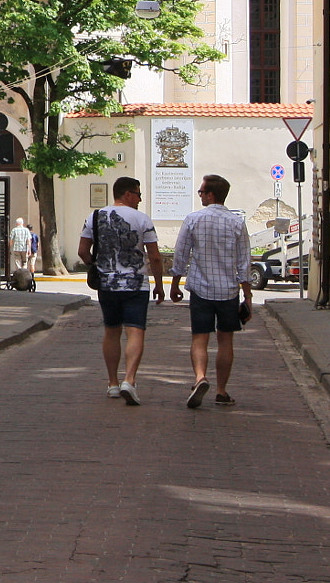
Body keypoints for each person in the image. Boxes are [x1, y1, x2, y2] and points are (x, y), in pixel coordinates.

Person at [168, 174, 253, 409]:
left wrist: (175, 283)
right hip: (228, 291)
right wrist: (248, 296)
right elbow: (244, 262)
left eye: (201, 192)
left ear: (211, 194)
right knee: (226, 341)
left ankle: (199, 378)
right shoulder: (237, 223)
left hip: (200, 289)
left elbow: (181, 253)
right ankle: (222, 391)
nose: (200, 195)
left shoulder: (193, 219)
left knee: (199, 337)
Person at [79, 176, 163, 405]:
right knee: (135, 332)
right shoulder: (142, 219)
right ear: (127, 194)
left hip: (107, 284)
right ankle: (130, 379)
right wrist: (159, 285)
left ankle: (113, 383)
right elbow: (154, 256)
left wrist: (96, 267)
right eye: (138, 194)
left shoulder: (95, 216)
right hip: (136, 284)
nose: (139, 198)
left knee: (111, 331)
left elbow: (83, 251)